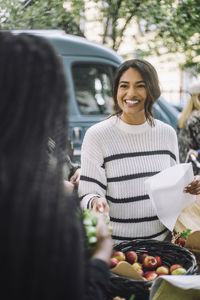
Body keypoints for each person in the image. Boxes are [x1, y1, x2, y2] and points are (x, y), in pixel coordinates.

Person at [0, 31, 113, 300]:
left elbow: (63, 160)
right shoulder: (45, 214)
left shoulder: (48, 135)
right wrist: (101, 253)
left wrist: (74, 172)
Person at [79, 59, 200, 245]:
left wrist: (191, 187)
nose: (131, 93)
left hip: (161, 248)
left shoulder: (167, 134)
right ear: (116, 91)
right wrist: (95, 202)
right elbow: (87, 193)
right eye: (124, 86)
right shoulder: (97, 135)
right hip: (116, 252)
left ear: (152, 91)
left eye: (140, 86)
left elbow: (171, 193)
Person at [177, 81, 200, 175]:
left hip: (185, 169)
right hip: (196, 172)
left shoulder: (184, 117)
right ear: (199, 97)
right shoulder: (197, 119)